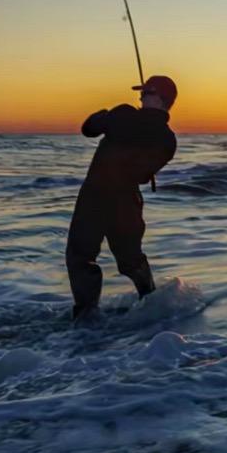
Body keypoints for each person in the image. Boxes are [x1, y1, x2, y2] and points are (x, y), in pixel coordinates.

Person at [66, 75, 177, 321]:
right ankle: (88, 314)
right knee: (83, 255)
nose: (140, 96)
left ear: (162, 99)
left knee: (126, 260)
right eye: (142, 92)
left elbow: (90, 128)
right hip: (109, 197)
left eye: (147, 92)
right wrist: (114, 118)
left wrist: (115, 119)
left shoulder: (138, 123)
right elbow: (89, 129)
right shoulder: (165, 138)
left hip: (113, 198)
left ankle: (146, 300)